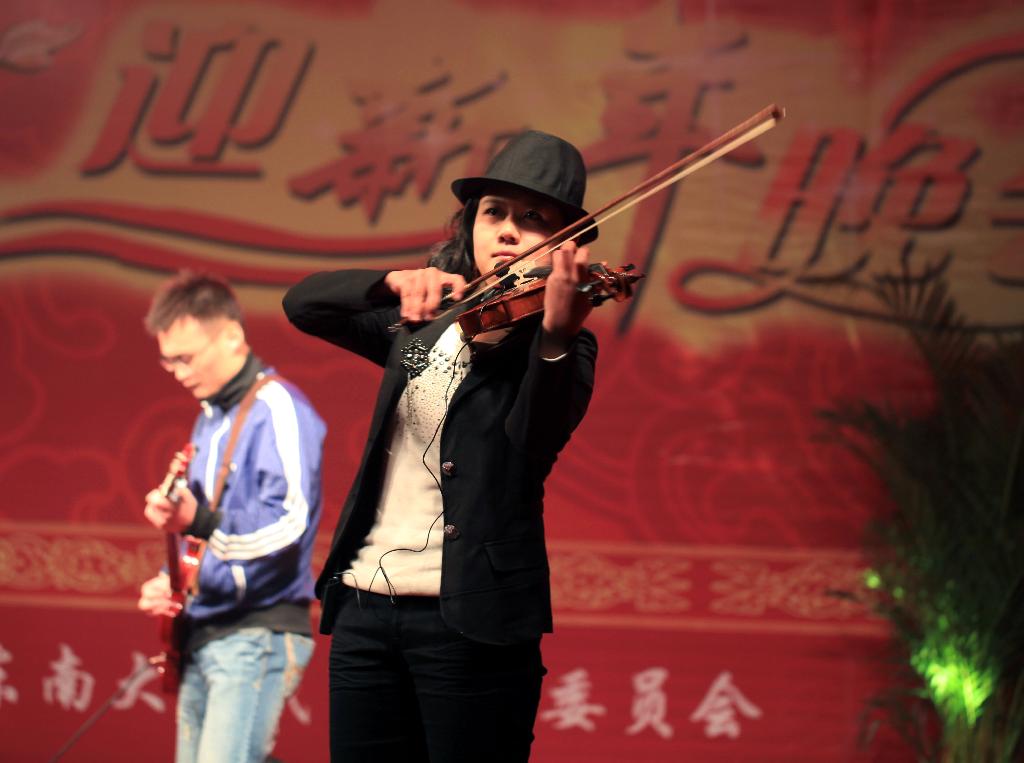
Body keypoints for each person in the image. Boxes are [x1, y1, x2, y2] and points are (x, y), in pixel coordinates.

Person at [282, 130, 600, 762]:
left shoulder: (558, 344)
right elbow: (303, 304)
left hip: (470, 620)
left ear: (565, 242)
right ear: (471, 224)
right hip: (366, 605)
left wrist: (557, 337)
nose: (507, 231)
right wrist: (390, 282)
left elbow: (533, 442)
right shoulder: (422, 326)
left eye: (533, 219)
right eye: (494, 213)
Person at [137, 271, 326, 763]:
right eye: (168, 361)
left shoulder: (277, 406)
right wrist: (173, 581)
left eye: (185, 357)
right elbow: (205, 536)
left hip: (255, 632)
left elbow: (289, 523)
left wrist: (198, 520)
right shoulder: (211, 417)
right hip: (207, 629)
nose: (177, 372)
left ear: (231, 335)